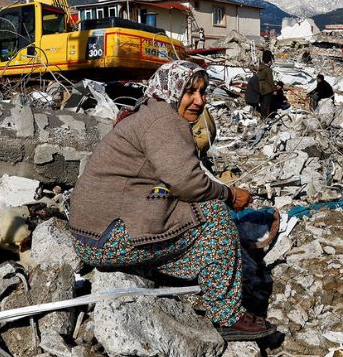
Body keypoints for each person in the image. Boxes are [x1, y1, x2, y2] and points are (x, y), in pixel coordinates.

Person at [69, 60, 275, 341]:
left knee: (180, 208)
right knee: (213, 214)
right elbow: (188, 183)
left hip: (91, 234)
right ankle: (227, 316)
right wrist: (229, 195)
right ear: (172, 89)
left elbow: (172, 180)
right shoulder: (165, 122)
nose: (199, 101)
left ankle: (183, 272)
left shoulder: (149, 112)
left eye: (203, 92)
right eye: (190, 92)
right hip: (106, 238)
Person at [258, 50, 276, 117]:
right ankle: (265, 117)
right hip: (267, 89)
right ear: (269, 61)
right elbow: (270, 80)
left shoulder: (260, 68)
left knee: (262, 104)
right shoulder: (268, 70)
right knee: (266, 104)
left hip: (260, 88)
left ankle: (262, 116)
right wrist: (274, 90)